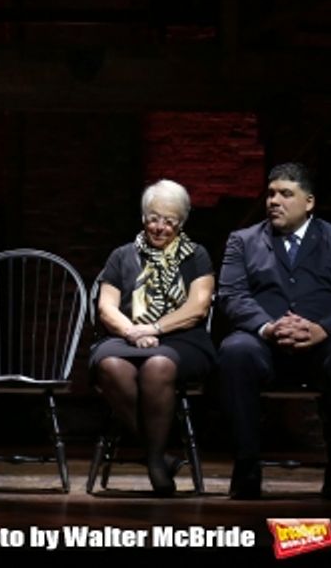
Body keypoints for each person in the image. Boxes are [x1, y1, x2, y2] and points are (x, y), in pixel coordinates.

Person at [218, 162, 331, 500]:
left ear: (309, 202)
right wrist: (268, 327)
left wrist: (322, 329)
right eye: (270, 194)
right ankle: (247, 469)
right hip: (264, 342)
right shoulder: (243, 240)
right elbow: (232, 295)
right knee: (235, 351)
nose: (274, 202)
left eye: (285, 194)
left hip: (324, 342)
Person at [89, 179, 215, 496]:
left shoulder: (196, 256)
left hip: (182, 338)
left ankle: (155, 461)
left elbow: (197, 308)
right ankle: (157, 456)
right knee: (110, 365)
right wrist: (133, 332)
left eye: (169, 221)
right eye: (154, 218)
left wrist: (155, 328)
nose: (160, 227)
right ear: (144, 217)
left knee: (158, 365)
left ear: (181, 223)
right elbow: (106, 307)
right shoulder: (122, 255)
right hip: (128, 334)